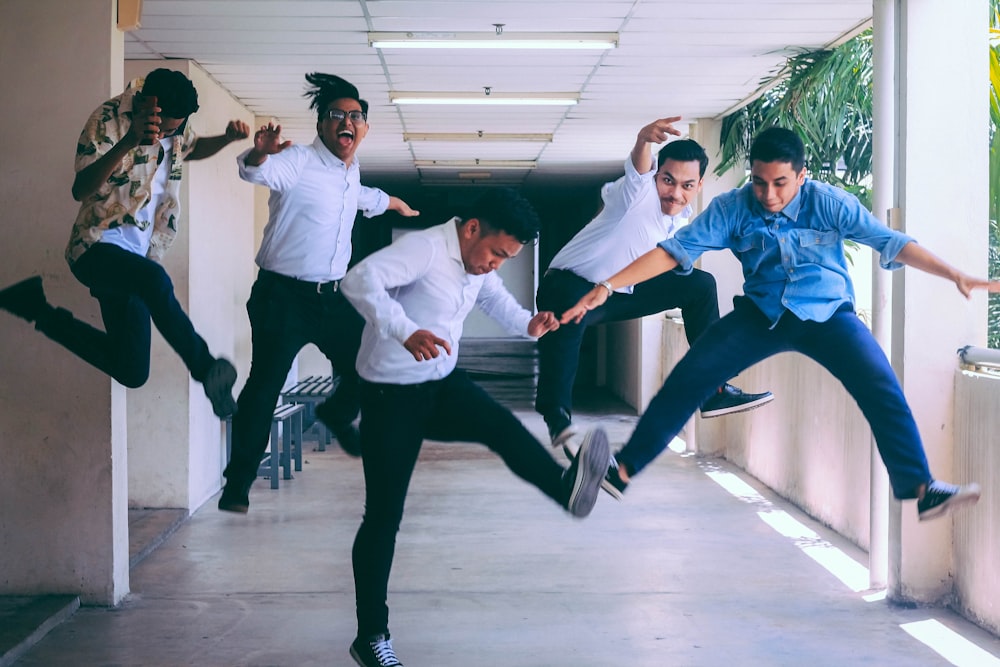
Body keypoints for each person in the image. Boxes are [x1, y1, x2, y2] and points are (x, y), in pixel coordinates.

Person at [563, 126, 993, 520]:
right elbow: (674, 249)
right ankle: (622, 470)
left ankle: (921, 487)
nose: (768, 194)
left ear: (801, 175)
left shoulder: (830, 203)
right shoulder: (732, 208)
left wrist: (954, 273)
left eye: (779, 183)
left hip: (828, 316)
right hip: (761, 316)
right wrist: (608, 284)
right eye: (759, 181)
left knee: (881, 386)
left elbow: (892, 243)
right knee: (690, 378)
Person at [341, 188, 610, 667]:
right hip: (390, 396)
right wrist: (405, 330)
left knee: (503, 427)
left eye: (508, 258)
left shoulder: (475, 264)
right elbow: (358, 281)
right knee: (383, 517)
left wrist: (530, 324)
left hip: (441, 382)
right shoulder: (424, 249)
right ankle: (371, 636)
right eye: (497, 253)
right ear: (471, 230)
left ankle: (566, 488)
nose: (496, 265)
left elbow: (495, 300)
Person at [218, 73, 419, 514]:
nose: (347, 122)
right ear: (321, 125)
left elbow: (360, 197)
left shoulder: (351, 172)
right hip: (282, 297)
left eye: (356, 117)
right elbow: (253, 170)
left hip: (331, 298)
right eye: (337, 116)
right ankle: (238, 484)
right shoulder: (298, 162)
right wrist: (259, 152)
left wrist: (394, 203)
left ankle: (335, 414)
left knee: (368, 365)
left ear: (364, 128)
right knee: (265, 385)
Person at [0, 68, 248, 417]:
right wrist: (130, 140)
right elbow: (80, 189)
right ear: (149, 103)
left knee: (132, 370)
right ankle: (207, 368)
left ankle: (36, 308)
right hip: (96, 247)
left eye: (176, 128)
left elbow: (190, 148)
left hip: (136, 258)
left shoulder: (175, 129)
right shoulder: (106, 120)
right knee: (155, 280)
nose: (169, 133)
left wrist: (225, 139)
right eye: (165, 125)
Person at [536, 117, 772, 449]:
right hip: (566, 286)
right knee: (571, 313)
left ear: (699, 186)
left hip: (616, 294)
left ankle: (713, 390)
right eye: (667, 181)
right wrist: (642, 141)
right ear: (656, 176)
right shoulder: (637, 194)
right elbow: (639, 171)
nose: (675, 193)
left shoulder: (680, 223)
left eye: (686, 186)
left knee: (700, 285)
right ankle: (556, 415)